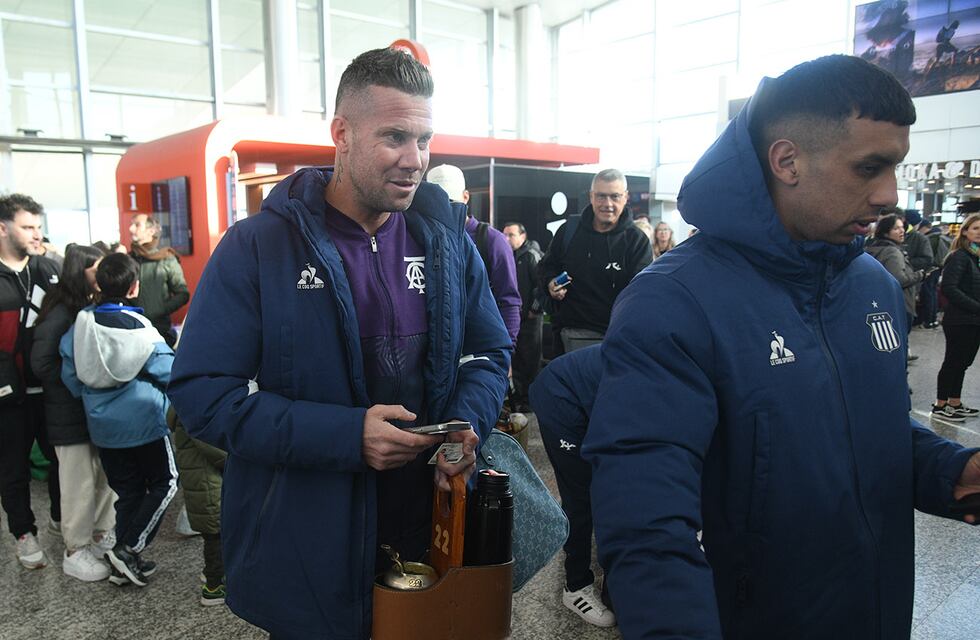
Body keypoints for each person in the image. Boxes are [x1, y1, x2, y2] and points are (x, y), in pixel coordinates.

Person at [583, 55, 980, 639]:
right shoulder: (674, 301)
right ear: (787, 160)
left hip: (877, 611)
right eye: (869, 167)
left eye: (895, 166)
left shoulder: (872, 286)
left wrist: (953, 469)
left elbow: (867, 433)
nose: (889, 194)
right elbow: (646, 526)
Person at [167, 47, 511, 639]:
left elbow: (488, 352)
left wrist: (464, 424)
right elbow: (202, 395)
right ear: (342, 134)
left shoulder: (447, 244)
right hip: (308, 543)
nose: (414, 160)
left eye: (424, 139)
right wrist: (346, 436)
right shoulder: (258, 248)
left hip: (427, 536)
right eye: (394, 137)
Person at [60, 252, 178, 588]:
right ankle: (128, 549)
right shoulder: (140, 329)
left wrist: (93, 398)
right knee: (166, 483)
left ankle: (123, 565)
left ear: (99, 284)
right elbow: (169, 372)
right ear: (134, 288)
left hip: (102, 427)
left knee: (128, 492)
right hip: (144, 423)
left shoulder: (82, 322)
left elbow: (69, 370)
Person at [31, 244, 117, 582]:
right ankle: (75, 550)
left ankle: (100, 535)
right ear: (80, 271)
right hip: (68, 412)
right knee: (77, 484)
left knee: (104, 478)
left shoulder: (88, 305)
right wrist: (79, 381)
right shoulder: (60, 311)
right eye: (96, 269)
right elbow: (42, 363)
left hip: (92, 411)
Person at [529, 344, 615, 628]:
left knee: (615, 489)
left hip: (595, 397)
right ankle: (576, 585)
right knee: (581, 495)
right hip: (560, 395)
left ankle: (615, 576)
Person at [0, 193, 61, 570]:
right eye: (27, 227)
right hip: (8, 396)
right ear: (3, 229)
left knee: (60, 461)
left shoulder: (47, 269)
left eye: (39, 226)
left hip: (51, 389)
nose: (37, 233)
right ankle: (24, 533)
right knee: (13, 469)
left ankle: (59, 517)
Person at [538, 168, 652, 353]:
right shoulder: (569, 231)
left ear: (625, 197)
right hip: (570, 336)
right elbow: (546, 267)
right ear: (591, 196)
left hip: (617, 338)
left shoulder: (636, 241)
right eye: (601, 196)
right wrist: (551, 284)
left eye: (614, 196)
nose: (607, 204)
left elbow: (641, 293)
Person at [426, 163, 521, 344]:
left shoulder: (493, 240)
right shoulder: (421, 237)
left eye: (451, 202)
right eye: (436, 203)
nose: (444, 209)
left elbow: (509, 300)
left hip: (480, 345)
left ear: (466, 197)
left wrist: (506, 350)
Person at [168, 406, 227, 606]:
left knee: (214, 538)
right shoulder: (194, 413)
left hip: (202, 485)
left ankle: (211, 574)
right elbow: (216, 451)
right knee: (216, 537)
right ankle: (214, 589)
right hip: (209, 487)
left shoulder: (183, 409)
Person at [932, 213, 980, 421]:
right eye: (976, 228)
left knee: (963, 363)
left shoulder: (975, 257)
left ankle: (955, 402)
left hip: (973, 319)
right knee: (953, 362)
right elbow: (949, 288)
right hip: (960, 319)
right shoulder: (959, 256)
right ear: (965, 232)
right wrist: (977, 307)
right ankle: (940, 405)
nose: (979, 232)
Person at [128, 213, 189, 347]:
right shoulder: (128, 260)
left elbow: (183, 294)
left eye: (137, 225)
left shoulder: (166, 259)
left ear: (151, 231)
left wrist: (159, 309)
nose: (131, 229)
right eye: (131, 224)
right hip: (131, 331)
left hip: (159, 331)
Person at [503, 221, 543, 411]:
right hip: (514, 318)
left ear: (523, 236)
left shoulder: (531, 255)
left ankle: (531, 401)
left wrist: (535, 309)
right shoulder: (507, 255)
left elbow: (541, 284)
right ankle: (518, 399)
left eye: (511, 235)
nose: (506, 239)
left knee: (530, 360)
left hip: (530, 319)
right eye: (504, 235)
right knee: (516, 359)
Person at [865, 212, 925, 330]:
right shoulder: (892, 252)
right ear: (885, 232)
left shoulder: (872, 248)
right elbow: (898, 279)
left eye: (902, 227)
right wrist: (920, 275)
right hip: (899, 304)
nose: (902, 231)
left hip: (879, 303)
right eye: (896, 228)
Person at [918, 218, 949, 328]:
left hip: (931, 268)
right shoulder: (941, 237)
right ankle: (933, 319)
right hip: (939, 267)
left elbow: (928, 257)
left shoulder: (930, 238)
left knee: (928, 293)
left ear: (923, 227)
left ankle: (928, 320)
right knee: (933, 292)